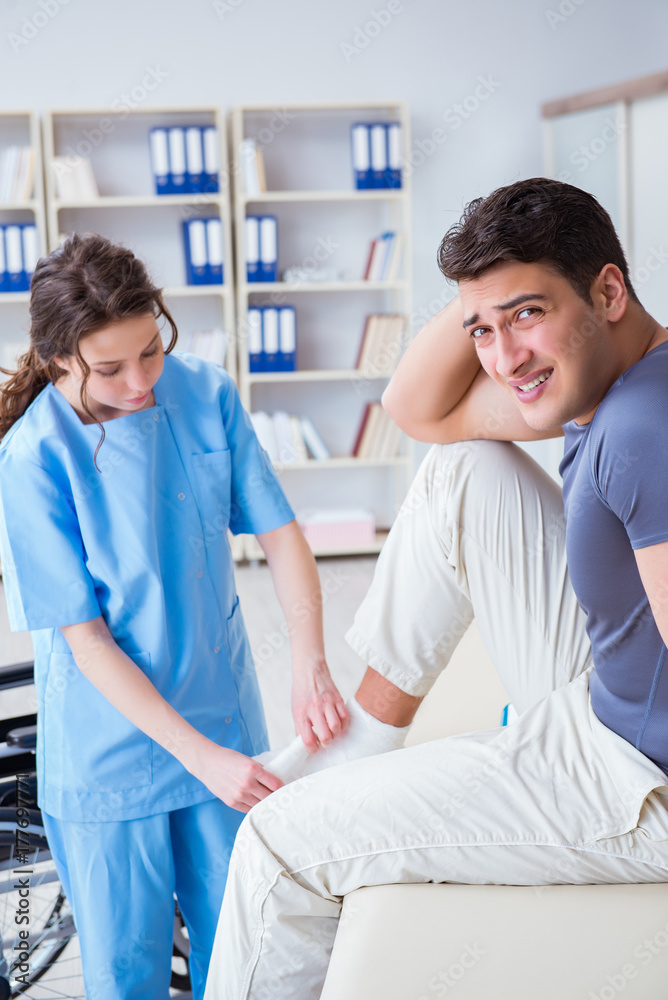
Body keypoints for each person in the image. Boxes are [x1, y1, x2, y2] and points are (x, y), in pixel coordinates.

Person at [203, 178, 668, 1000]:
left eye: (529, 313)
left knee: (276, 842)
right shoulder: (613, 382)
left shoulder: (642, 433)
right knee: (461, 466)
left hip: (634, 781)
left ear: (609, 289)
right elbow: (414, 408)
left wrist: (524, 774)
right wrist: (490, 293)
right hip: (612, 696)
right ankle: (363, 739)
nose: (504, 357)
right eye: (481, 331)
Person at [0, 232, 355, 1000]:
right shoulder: (33, 458)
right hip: (108, 755)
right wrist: (201, 757)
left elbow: (281, 533)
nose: (139, 381)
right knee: (126, 978)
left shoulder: (204, 392)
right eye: (110, 367)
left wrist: (309, 661)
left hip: (222, 722)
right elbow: (87, 643)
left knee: (252, 955)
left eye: (151, 351)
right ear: (60, 358)